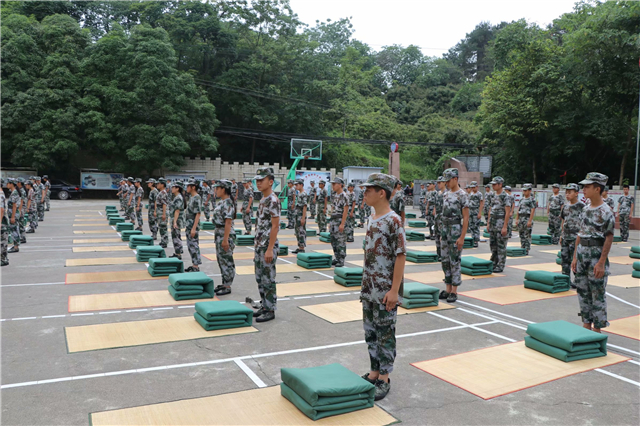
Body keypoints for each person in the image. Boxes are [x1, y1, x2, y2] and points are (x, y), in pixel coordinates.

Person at [358, 173, 407, 401]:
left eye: (370, 189)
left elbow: (400, 256)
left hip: (385, 290)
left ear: (382, 193)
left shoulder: (393, 220)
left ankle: (385, 377)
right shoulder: (372, 217)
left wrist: (395, 290)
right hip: (369, 288)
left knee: (385, 334)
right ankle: (374, 371)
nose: (365, 192)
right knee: (371, 332)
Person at [572, 173, 614, 332]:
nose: (584, 189)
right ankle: (585, 325)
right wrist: (575, 256)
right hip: (582, 254)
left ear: (597, 189)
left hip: (596, 255)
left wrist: (601, 263)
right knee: (582, 291)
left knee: (597, 293)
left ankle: (597, 329)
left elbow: (609, 238)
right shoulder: (584, 209)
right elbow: (580, 233)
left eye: (587, 187)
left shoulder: (606, 211)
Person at [252, 168, 281, 323]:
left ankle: (270, 309)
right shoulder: (263, 199)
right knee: (259, 277)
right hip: (260, 245)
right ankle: (264, 304)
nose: (258, 183)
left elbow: (275, 227)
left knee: (268, 279)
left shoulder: (273, 201)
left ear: (270, 182)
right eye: (257, 180)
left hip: (267, 246)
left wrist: (270, 249)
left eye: (261, 180)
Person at [438, 169, 469, 303]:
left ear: (455, 179)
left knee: (454, 260)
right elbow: (442, 215)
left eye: (448, 180)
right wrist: (441, 233)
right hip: (445, 230)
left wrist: (462, 237)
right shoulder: (445, 194)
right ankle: (448, 288)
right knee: (445, 260)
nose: (447, 183)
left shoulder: (462, 195)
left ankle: (454, 291)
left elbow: (466, 218)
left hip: (456, 229)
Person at [560, 183, 585, 288]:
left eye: (570, 192)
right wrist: (562, 235)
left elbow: (585, 224)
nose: (567, 194)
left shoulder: (582, 207)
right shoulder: (565, 206)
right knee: (564, 260)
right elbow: (563, 220)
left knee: (576, 261)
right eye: (566, 192)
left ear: (576, 193)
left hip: (576, 238)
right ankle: (565, 280)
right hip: (566, 237)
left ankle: (578, 281)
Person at [488, 176, 511, 273]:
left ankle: (500, 264)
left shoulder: (505, 196)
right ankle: (494, 262)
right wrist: (488, 223)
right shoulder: (492, 195)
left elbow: (507, 212)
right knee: (493, 244)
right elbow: (491, 209)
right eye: (492, 184)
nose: (493, 186)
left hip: (501, 222)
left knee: (501, 245)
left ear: (500, 185)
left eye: (495, 184)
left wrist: (505, 226)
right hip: (493, 222)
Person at [182, 180, 203, 273]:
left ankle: (196, 266)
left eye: (188, 186)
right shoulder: (192, 197)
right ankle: (194, 264)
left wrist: (194, 228)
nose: (186, 188)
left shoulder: (197, 198)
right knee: (190, 245)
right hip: (189, 224)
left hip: (192, 225)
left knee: (194, 245)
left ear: (193, 187)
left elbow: (198, 214)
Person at [330, 177, 349, 267]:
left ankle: (341, 259)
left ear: (340, 185)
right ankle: (337, 257)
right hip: (333, 220)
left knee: (340, 240)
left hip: (339, 219)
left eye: (335, 184)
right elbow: (333, 208)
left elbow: (345, 210)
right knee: (333, 240)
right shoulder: (335, 195)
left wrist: (342, 223)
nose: (333, 186)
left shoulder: (344, 195)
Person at [516, 184, 536, 254]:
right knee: (521, 233)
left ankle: (527, 249)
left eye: (526, 190)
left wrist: (530, 220)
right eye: (523, 190)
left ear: (530, 191)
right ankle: (522, 246)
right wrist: (517, 219)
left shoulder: (532, 200)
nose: (524, 192)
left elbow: (533, 210)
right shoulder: (521, 199)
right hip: (521, 218)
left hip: (527, 218)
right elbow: (518, 209)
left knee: (527, 234)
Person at [291, 179, 309, 253]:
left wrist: (303, 218)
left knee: (301, 231)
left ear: (301, 185)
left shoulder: (304, 194)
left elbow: (304, 206)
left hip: (301, 215)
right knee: (297, 231)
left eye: (297, 185)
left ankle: (302, 247)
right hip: (297, 214)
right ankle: (299, 246)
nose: (296, 186)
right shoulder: (299, 193)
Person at [170, 181, 186, 259]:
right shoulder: (177, 197)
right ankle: (177, 253)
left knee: (176, 236)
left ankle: (178, 254)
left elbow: (177, 210)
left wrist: (175, 222)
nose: (172, 189)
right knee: (176, 236)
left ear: (177, 189)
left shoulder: (178, 197)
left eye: (173, 187)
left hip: (177, 219)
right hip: (176, 219)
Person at [468, 181, 483, 248]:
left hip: (476, 211)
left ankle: (476, 240)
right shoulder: (470, 194)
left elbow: (481, 204)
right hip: (470, 211)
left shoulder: (479, 194)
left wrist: (480, 213)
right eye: (472, 187)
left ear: (477, 187)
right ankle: (472, 239)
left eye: (474, 187)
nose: (472, 189)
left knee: (476, 226)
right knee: (471, 226)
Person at [433, 176, 445, 261]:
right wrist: (434, 211)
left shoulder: (447, 193)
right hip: (437, 217)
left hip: (443, 217)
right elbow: (435, 203)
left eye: (440, 183)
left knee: (442, 236)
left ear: (444, 183)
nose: (438, 184)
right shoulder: (437, 193)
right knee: (436, 235)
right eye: (437, 183)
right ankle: (438, 253)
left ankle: (443, 254)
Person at [7, 179, 20, 253]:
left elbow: (14, 206)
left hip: (13, 214)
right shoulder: (13, 192)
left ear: (12, 184)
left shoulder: (14, 193)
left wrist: (12, 216)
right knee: (14, 229)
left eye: (8, 183)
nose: (7, 185)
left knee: (14, 230)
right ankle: (15, 245)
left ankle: (15, 247)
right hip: (13, 213)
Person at [155, 178, 169, 248]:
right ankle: (163, 241)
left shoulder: (163, 193)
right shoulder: (161, 192)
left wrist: (164, 214)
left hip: (162, 212)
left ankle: (165, 242)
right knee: (161, 227)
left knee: (163, 227)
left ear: (162, 185)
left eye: (158, 184)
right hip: (160, 211)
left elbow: (164, 204)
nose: (157, 185)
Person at [1, 179, 8, 266]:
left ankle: (3, 259)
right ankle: (4, 258)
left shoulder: (0, 195)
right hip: (3, 221)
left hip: (2, 222)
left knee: (2, 241)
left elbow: (1, 209)